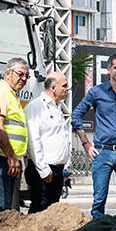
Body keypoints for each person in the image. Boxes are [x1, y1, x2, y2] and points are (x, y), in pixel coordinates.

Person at [71, 54, 116, 218]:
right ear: (108, 69)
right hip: (102, 152)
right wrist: (85, 143)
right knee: (98, 201)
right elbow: (76, 116)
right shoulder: (97, 92)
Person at [0, 57, 29, 211]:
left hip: (6, 157)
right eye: (20, 74)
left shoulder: (11, 94)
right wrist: (11, 156)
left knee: (7, 207)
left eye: (26, 76)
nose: (24, 79)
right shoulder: (0, 92)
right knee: (0, 207)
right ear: (7, 73)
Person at [24, 72, 70, 213]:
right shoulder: (36, 107)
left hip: (57, 170)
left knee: (52, 212)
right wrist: (43, 169)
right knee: (40, 209)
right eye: (65, 85)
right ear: (53, 88)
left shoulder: (58, 107)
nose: (68, 88)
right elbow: (33, 140)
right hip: (43, 171)